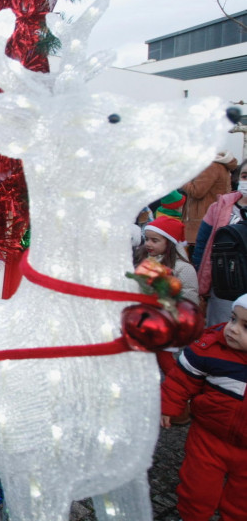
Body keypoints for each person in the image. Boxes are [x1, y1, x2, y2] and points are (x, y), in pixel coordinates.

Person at [160, 294, 247, 521]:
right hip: (209, 438)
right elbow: (181, 379)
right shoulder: (211, 349)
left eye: (246, 327)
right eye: (233, 319)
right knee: (197, 490)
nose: (233, 329)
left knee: (241, 502)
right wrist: (169, 405)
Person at [192, 161, 247, 326]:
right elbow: (202, 244)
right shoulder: (218, 207)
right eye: (245, 176)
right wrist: (201, 278)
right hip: (224, 285)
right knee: (220, 330)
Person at [135, 216, 199, 304]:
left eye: (154, 241)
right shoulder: (143, 261)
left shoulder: (184, 268)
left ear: (169, 243)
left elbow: (189, 299)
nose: (148, 244)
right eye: (146, 239)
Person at [181, 152, 239, 244]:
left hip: (201, 222)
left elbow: (197, 192)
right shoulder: (219, 164)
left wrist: (182, 179)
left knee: (199, 254)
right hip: (212, 218)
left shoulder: (210, 166)